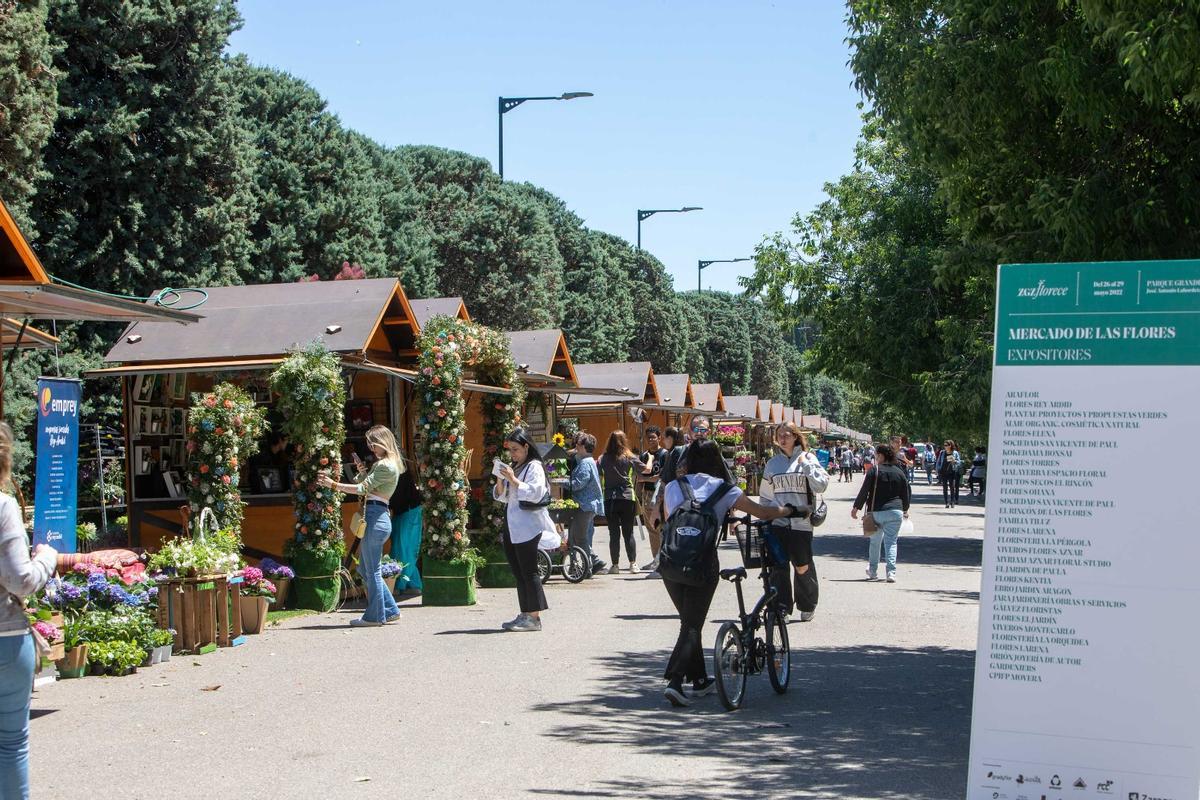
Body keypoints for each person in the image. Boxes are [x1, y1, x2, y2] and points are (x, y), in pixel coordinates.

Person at [660, 440, 794, 707]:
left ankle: (699, 679)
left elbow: (668, 520)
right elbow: (762, 512)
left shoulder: (674, 486)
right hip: (702, 564)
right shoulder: (725, 489)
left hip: (670, 563)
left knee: (689, 621)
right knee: (692, 624)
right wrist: (788, 510)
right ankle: (675, 680)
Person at [0, 421, 58, 799]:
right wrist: (47, 559)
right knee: (11, 744)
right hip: (5, 637)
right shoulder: (3, 507)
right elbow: (20, 580)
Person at [318, 425, 403, 627]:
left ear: (383, 442)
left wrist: (333, 485)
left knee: (371, 569)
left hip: (375, 516)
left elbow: (363, 489)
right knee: (365, 569)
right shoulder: (388, 464)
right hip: (377, 515)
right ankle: (390, 610)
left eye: (373, 444)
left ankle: (374, 616)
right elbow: (371, 487)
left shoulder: (385, 465)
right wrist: (363, 471)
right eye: (369, 444)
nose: (371, 448)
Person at [760, 421, 830, 622]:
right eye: (779, 435)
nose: (783, 438)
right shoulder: (772, 464)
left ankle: (807, 604)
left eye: (787, 434)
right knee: (778, 567)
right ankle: (781, 608)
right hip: (778, 522)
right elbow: (765, 495)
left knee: (802, 566)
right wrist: (765, 516)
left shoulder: (808, 458)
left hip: (802, 522)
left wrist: (807, 465)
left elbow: (821, 486)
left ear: (796, 436)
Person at [493, 428, 554, 631]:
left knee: (529, 571)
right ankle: (525, 613)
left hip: (528, 526)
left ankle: (534, 617)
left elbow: (536, 493)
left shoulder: (534, 466)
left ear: (527, 446)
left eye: (516, 449)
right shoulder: (516, 466)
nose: (513, 454)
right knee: (518, 572)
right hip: (512, 524)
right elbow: (503, 496)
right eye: (510, 450)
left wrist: (513, 479)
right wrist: (500, 481)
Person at [851, 443, 911, 582]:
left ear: (881, 455)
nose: (875, 457)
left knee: (875, 542)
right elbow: (906, 492)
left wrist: (856, 508)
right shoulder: (899, 472)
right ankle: (891, 573)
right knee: (891, 543)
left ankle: (872, 571)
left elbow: (864, 490)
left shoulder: (874, 470)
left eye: (876, 455)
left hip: (876, 512)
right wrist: (905, 508)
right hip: (895, 511)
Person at [598, 430, 653, 574]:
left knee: (613, 533)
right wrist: (651, 458)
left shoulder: (603, 458)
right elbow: (647, 470)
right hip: (627, 498)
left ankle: (615, 565)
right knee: (628, 533)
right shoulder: (629, 457)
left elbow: (597, 470)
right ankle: (633, 564)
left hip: (610, 498)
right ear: (624, 441)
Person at [568, 432, 606, 576]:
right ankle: (587, 567)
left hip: (586, 505)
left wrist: (561, 482)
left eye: (578, 444)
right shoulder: (589, 461)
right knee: (578, 536)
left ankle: (586, 569)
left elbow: (578, 484)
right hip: (588, 505)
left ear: (583, 446)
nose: (576, 447)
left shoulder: (585, 463)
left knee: (580, 537)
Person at [388, 459, 424, 594]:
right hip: (402, 511)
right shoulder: (397, 463)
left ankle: (400, 584)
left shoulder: (396, 465)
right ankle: (413, 584)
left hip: (408, 511)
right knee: (401, 548)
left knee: (404, 548)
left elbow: (397, 493)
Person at [639, 426, 669, 569]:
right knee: (651, 528)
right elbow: (639, 477)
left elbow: (661, 477)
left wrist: (647, 478)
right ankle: (655, 559)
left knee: (660, 527)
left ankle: (662, 559)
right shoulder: (643, 456)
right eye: (648, 437)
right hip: (646, 494)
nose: (651, 440)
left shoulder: (664, 454)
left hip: (659, 495)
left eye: (653, 437)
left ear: (659, 438)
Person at [934, 439, 962, 508]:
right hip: (943, 472)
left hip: (952, 472)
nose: (945, 446)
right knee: (945, 488)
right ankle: (946, 502)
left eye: (947, 445)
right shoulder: (942, 452)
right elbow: (938, 462)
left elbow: (959, 462)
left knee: (952, 487)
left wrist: (954, 461)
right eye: (944, 445)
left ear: (950, 445)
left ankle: (952, 502)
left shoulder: (955, 453)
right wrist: (937, 470)